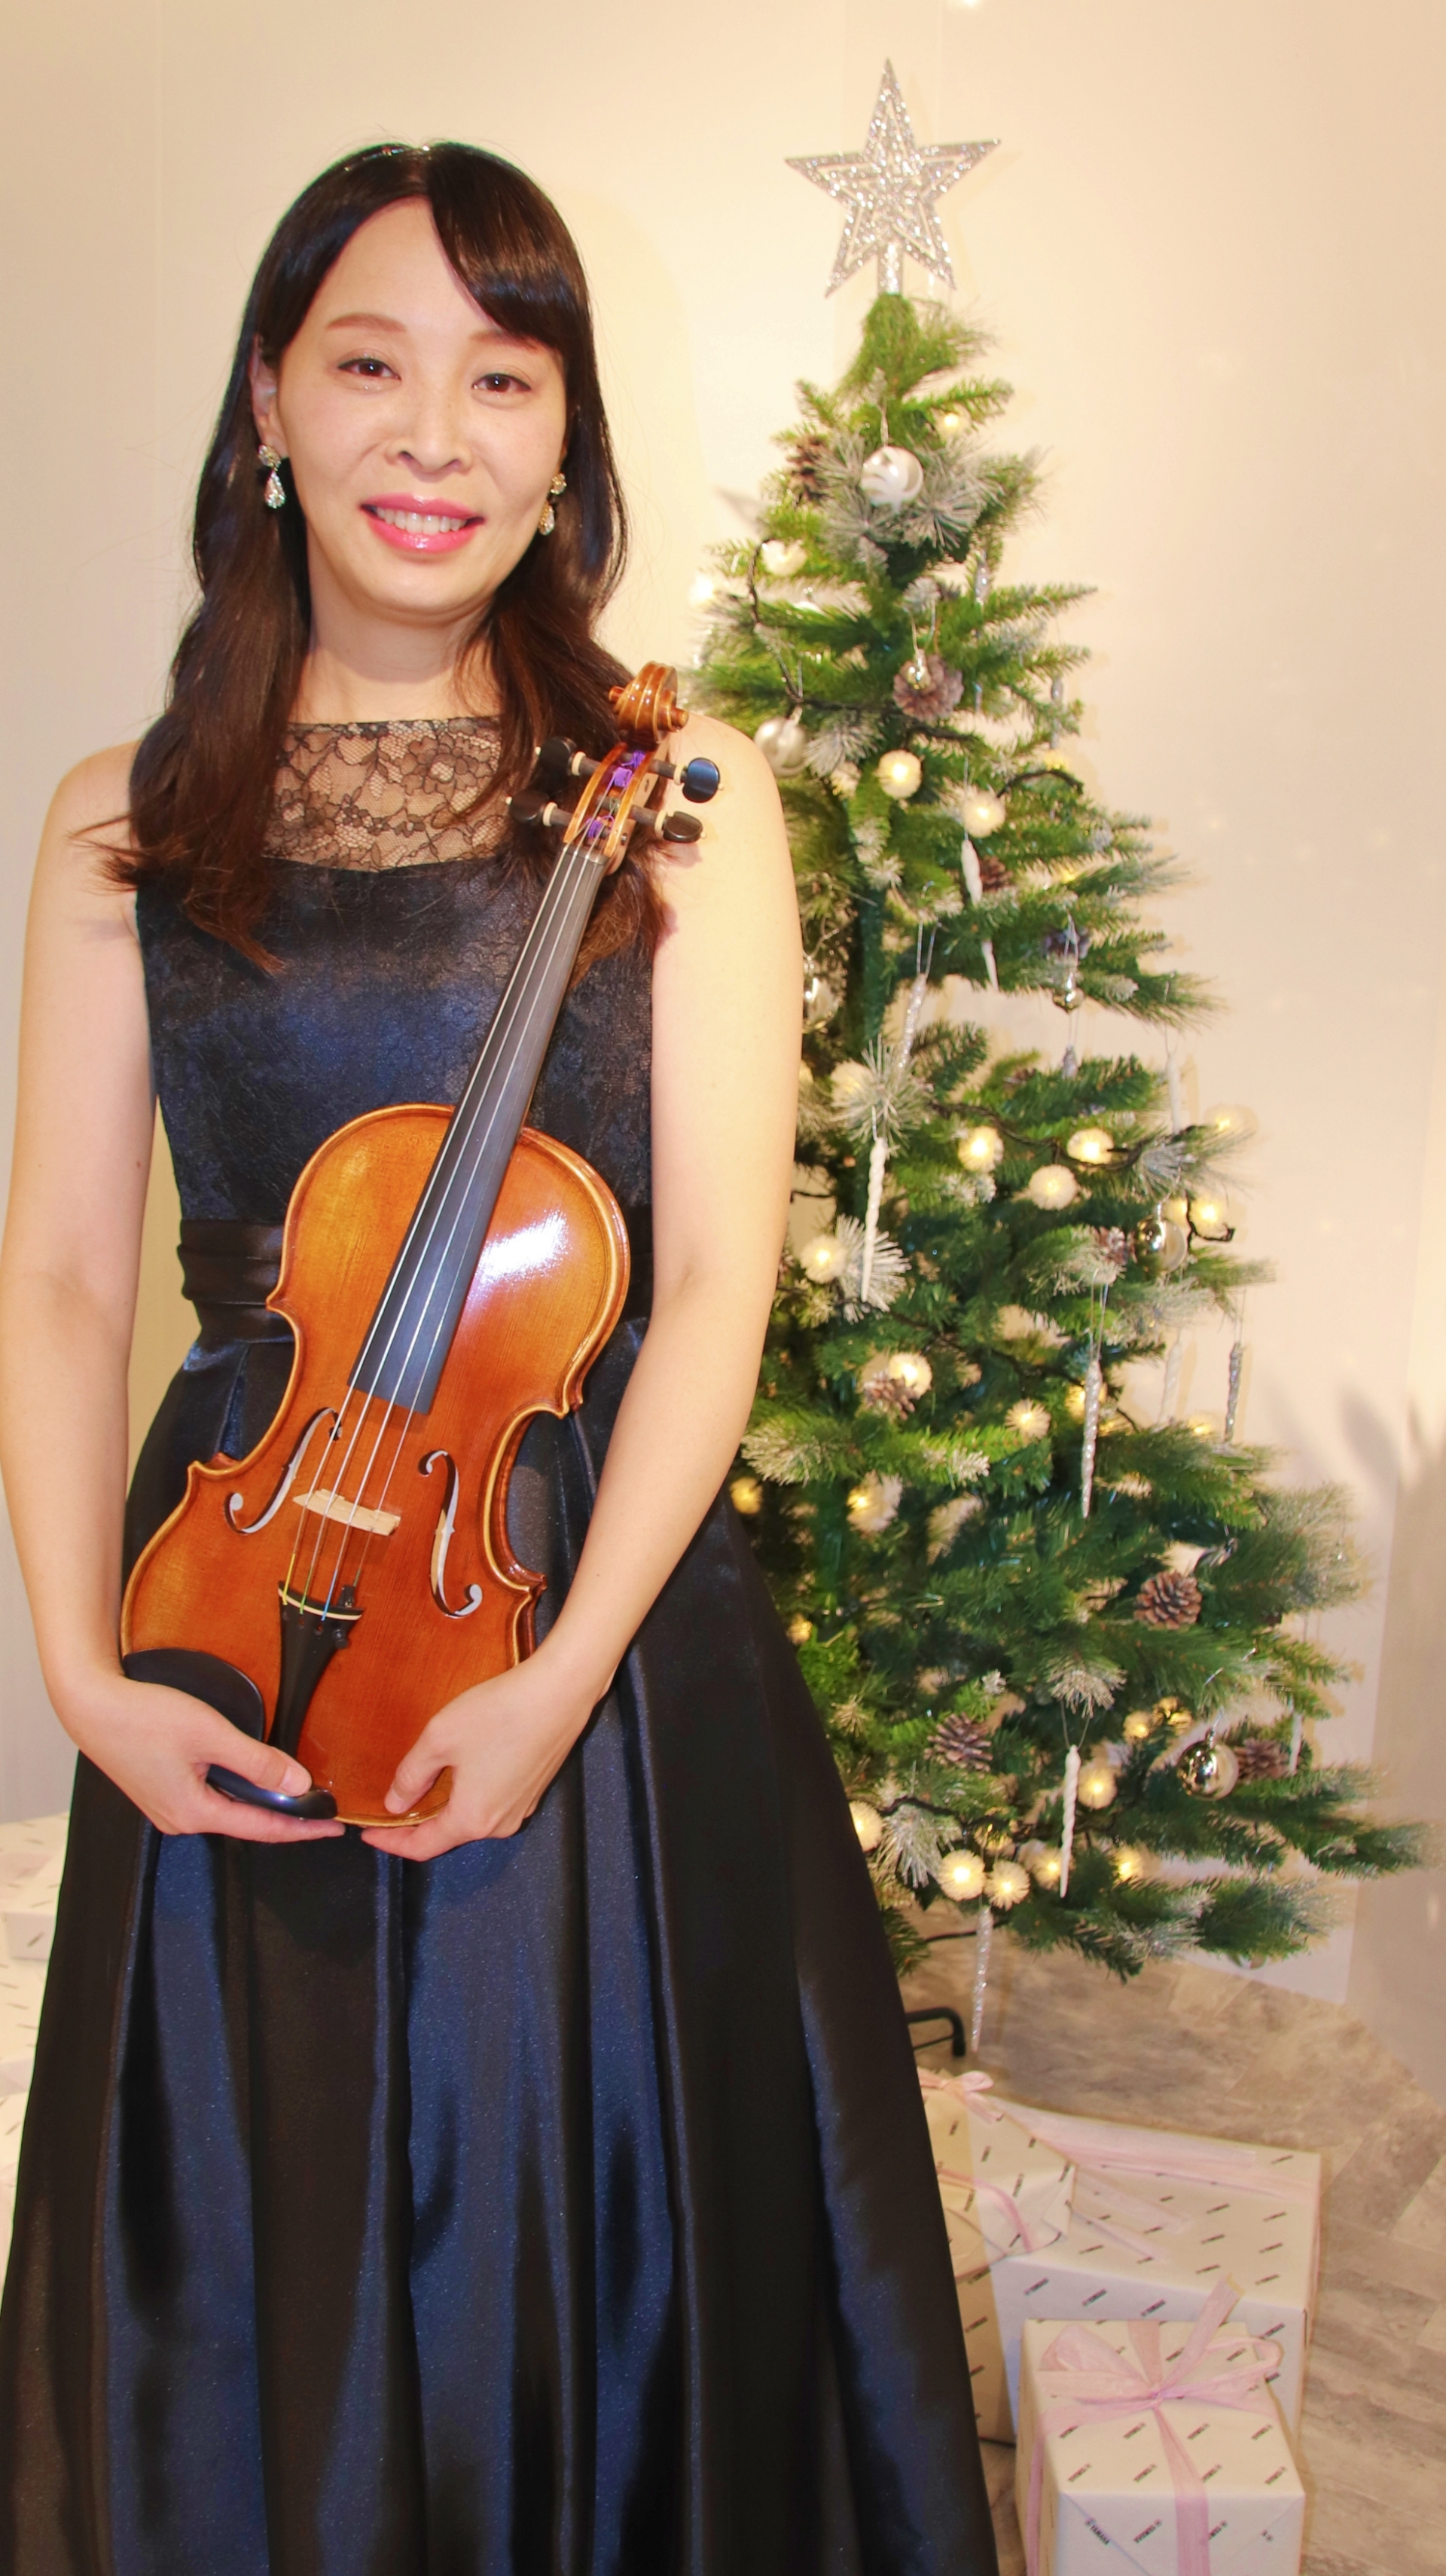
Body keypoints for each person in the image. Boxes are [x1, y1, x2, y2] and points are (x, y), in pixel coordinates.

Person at [0, 142, 997, 2576]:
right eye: (369, 363)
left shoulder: (684, 799)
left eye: (503, 376)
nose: (432, 433)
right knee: (254, 2273)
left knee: (601, 2245)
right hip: (235, 1594)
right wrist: (83, 1671)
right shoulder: (122, 820)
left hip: (590, 1629)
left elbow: (718, 1286)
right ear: (268, 404)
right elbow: (61, 1275)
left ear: (567, 441)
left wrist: (556, 1683)